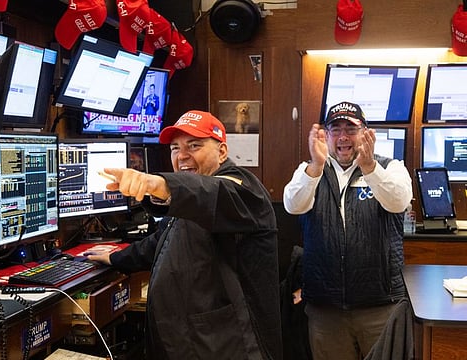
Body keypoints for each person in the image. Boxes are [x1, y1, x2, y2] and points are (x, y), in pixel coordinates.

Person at [87, 110, 283, 360]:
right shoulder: (189, 197)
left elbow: (206, 194)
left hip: (228, 346)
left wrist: (155, 184)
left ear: (222, 152)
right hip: (187, 342)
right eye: (174, 148)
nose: (182, 156)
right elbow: (161, 242)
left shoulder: (243, 189)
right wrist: (116, 258)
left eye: (195, 145)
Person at [283, 101, 412, 360]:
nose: (343, 137)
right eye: (335, 129)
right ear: (326, 136)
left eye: (351, 129)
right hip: (325, 309)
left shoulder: (391, 167)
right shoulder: (309, 170)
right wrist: (316, 167)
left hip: (380, 306)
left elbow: (398, 202)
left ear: (365, 133)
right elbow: (293, 205)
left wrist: (370, 168)